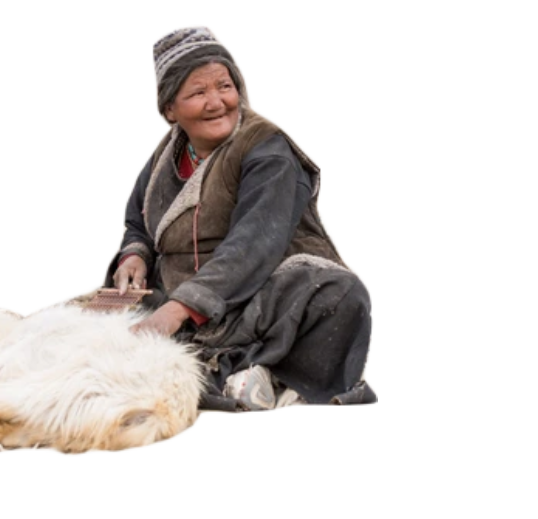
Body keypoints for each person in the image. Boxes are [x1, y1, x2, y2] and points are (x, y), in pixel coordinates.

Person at [103, 24, 375, 412]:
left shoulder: (267, 148)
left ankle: (256, 369)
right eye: (198, 92)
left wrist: (178, 310)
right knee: (96, 324)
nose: (217, 102)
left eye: (225, 87)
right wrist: (134, 255)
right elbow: (137, 221)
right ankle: (246, 371)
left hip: (262, 287)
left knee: (340, 296)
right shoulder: (166, 151)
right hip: (186, 288)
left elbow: (254, 244)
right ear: (169, 109)